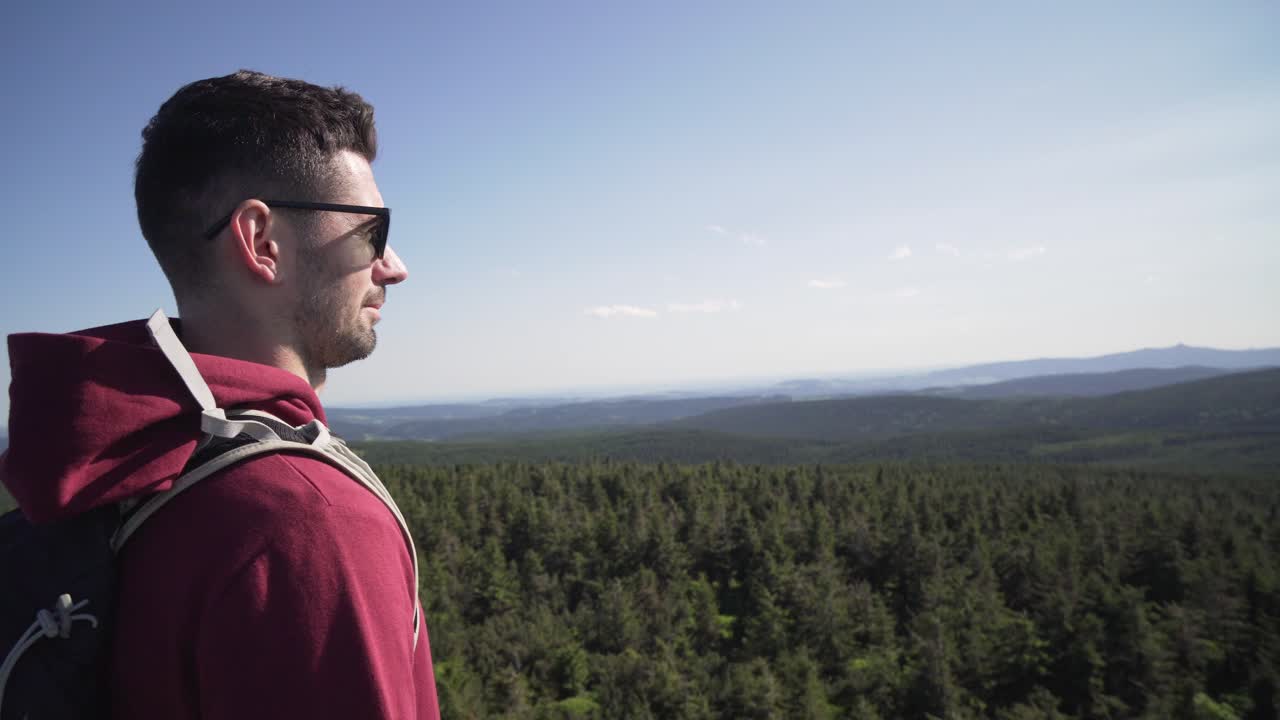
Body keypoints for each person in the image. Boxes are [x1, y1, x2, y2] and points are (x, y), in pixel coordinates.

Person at [0, 70, 439, 718]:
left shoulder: (108, 471)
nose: (394, 265)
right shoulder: (307, 524)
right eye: (372, 230)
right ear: (262, 242)